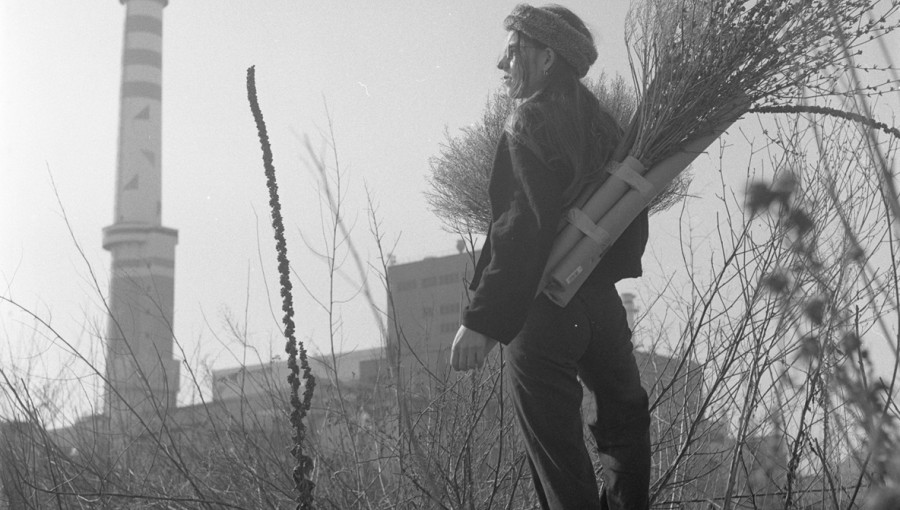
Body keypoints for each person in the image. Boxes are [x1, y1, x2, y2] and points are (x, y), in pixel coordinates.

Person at [449, 4, 651, 509]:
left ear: (546, 59)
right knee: (626, 425)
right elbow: (631, 220)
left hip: (543, 315)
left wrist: (482, 320)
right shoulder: (608, 127)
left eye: (513, 51)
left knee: (561, 469)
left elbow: (521, 231)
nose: (501, 63)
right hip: (601, 308)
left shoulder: (528, 122)